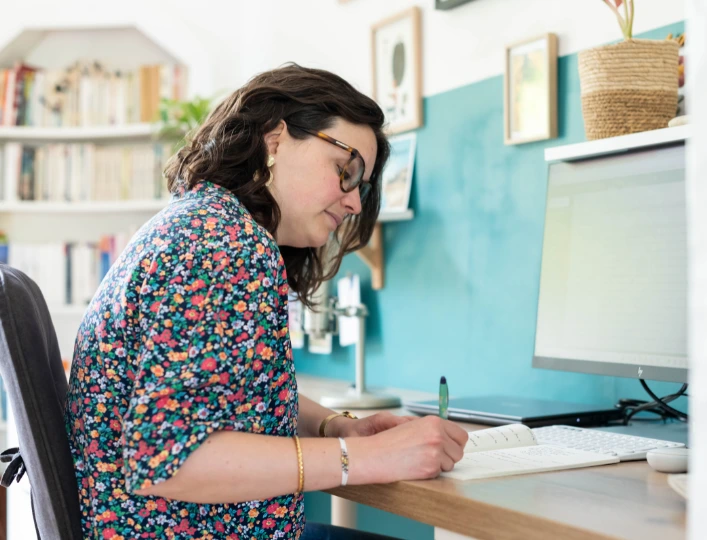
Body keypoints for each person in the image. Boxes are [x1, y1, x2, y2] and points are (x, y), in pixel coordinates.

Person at [64, 63, 469, 540]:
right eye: (346, 170)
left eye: (361, 185)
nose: (355, 203)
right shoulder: (225, 246)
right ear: (274, 141)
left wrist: (334, 428)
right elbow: (169, 461)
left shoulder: (202, 224)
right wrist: (364, 458)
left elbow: (230, 396)